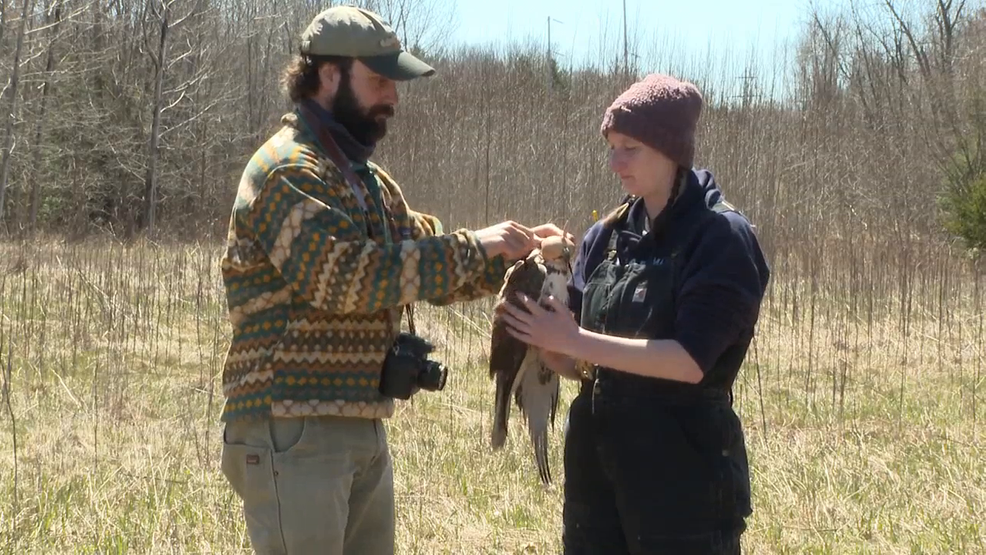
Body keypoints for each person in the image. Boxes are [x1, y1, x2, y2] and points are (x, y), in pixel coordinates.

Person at [217, 6, 570, 554]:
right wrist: (476, 243)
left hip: (359, 425)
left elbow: (428, 266)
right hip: (290, 428)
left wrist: (517, 258)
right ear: (328, 76)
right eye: (379, 80)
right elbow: (344, 279)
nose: (393, 98)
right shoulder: (288, 171)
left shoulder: (365, 182)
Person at [499, 73, 771, 554]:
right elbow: (580, 359)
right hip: (596, 471)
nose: (615, 162)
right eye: (610, 146)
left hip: (683, 477)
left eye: (630, 148)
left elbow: (690, 361)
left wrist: (576, 342)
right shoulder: (606, 236)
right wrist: (540, 337)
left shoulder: (720, 237)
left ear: (670, 148)